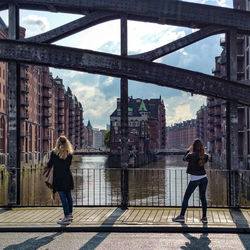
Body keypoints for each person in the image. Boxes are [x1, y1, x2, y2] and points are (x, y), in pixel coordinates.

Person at [173, 139, 209, 223]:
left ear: (193, 146)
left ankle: (181, 216)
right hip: (204, 178)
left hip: (195, 179)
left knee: (186, 197)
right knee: (203, 198)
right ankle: (204, 217)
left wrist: (189, 150)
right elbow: (202, 161)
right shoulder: (205, 156)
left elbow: (184, 159)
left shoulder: (190, 155)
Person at [47, 135, 74, 225]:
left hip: (58, 178)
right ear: (67, 143)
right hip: (67, 177)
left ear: (58, 143)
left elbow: (49, 164)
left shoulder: (54, 153)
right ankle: (69, 215)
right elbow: (69, 164)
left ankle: (66, 217)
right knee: (69, 196)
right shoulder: (69, 153)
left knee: (63, 197)